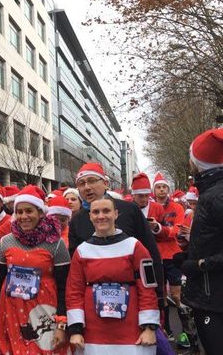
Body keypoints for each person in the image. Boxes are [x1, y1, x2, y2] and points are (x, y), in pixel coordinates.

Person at [66, 197, 159, 354]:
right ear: (90, 216)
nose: (101, 216)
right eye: (96, 212)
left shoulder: (135, 246)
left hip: (131, 328)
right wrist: (75, 329)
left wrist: (149, 327)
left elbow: (148, 287)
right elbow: (74, 291)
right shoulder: (81, 251)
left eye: (106, 211)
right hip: (93, 330)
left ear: (116, 214)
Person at [67, 163, 164, 307]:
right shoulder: (76, 220)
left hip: (132, 297)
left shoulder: (129, 209)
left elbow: (151, 255)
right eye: (81, 183)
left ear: (105, 183)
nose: (87, 187)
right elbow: (76, 271)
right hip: (94, 302)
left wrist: (158, 296)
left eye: (92, 181)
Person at [0, 185, 70, 355]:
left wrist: (62, 324)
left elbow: (65, 287)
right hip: (12, 312)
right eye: (19, 212)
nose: (24, 216)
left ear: (41, 213)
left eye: (29, 211)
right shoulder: (6, 242)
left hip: (45, 313)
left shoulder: (56, 244)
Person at [173, 128, 223, 355]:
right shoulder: (212, 192)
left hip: (215, 298)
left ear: (200, 162)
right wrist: (190, 253)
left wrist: (200, 263)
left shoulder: (216, 195)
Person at [151, 172, 186, 344]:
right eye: (158, 187)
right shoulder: (150, 208)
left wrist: (163, 232)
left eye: (164, 187)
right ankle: (168, 330)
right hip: (156, 256)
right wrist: (166, 233)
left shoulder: (177, 208)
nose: (162, 190)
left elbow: (177, 230)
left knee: (176, 295)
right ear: (154, 190)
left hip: (173, 255)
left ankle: (185, 328)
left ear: (168, 189)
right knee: (161, 295)